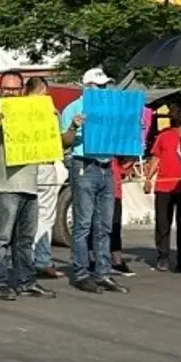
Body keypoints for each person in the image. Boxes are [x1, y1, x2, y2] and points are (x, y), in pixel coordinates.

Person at [0, 71, 54, 301]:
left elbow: (53, 144)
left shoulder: (32, 114)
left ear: (22, 90)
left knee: (25, 240)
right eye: (5, 88)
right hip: (2, 187)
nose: (9, 93)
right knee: (0, 239)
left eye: (14, 89)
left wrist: (52, 120)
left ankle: (26, 282)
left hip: (29, 185)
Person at [59, 67, 129, 294]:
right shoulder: (73, 108)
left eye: (104, 85)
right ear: (86, 87)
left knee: (104, 225)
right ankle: (81, 273)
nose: (103, 89)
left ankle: (104, 273)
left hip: (106, 166)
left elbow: (121, 139)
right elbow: (63, 142)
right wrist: (73, 126)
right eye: (98, 86)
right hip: (84, 165)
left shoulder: (112, 108)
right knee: (83, 224)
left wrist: (132, 132)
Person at [143, 102, 181, 272]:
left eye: (175, 113)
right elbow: (156, 158)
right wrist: (148, 178)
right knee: (163, 223)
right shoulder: (164, 136)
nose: (172, 116)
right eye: (171, 114)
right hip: (164, 186)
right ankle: (163, 256)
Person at [25, 76, 63, 279]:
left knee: (26, 216)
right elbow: (57, 138)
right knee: (44, 216)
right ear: (41, 91)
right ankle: (41, 260)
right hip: (43, 165)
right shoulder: (48, 112)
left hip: (23, 167)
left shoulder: (16, 110)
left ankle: (27, 259)